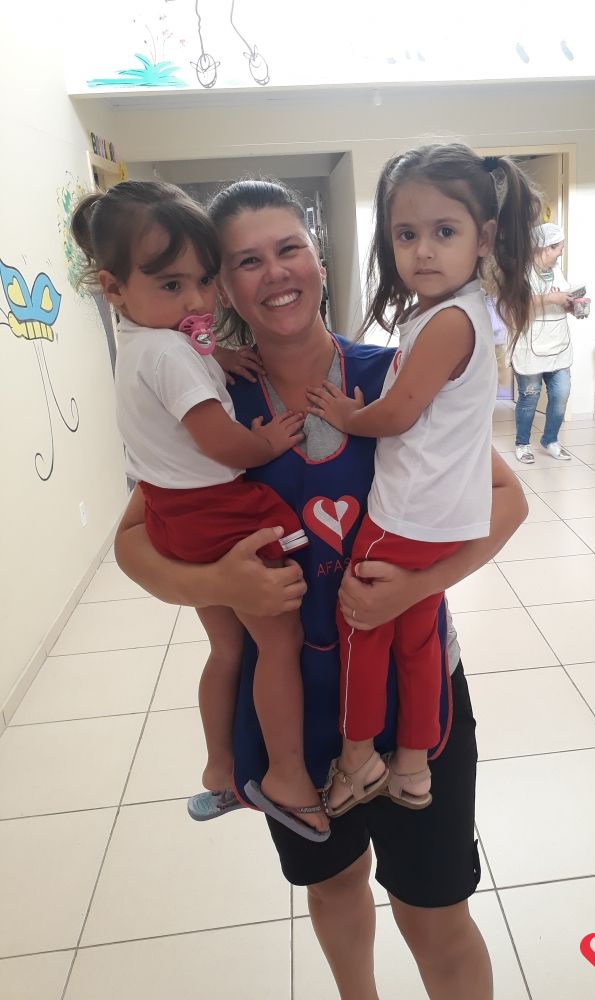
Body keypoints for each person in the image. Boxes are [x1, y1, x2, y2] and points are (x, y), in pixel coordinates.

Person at [115, 175, 528, 1000]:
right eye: (247, 261)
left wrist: (411, 591)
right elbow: (131, 545)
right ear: (223, 287)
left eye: (289, 249)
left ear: (320, 261)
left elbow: (507, 501)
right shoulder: (207, 403)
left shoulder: (393, 378)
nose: (275, 273)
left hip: (412, 699)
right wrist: (215, 580)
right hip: (289, 715)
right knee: (335, 887)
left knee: (433, 911)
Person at [71, 181, 329, 840]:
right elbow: (219, 442)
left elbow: (193, 361)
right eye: (172, 284)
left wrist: (221, 357)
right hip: (217, 511)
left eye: (204, 281)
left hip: (173, 513)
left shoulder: (147, 340)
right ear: (113, 287)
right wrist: (266, 443)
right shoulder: (168, 352)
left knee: (226, 645)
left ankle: (220, 769)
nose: (195, 301)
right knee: (279, 641)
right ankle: (287, 775)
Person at [305, 144, 538, 816]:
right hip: (442, 519)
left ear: (483, 238)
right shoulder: (462, 312)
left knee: (361, 623)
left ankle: (357, 761)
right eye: (406, 235)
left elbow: (400, 413)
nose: (423, 251)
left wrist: (349, 416)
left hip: (404, 515)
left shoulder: (447, 321)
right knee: (416, 634)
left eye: (444, 231)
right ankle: (412, 766)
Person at [510, 222, 579, 465]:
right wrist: (552, 298)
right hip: (530, 346)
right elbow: (517, 303)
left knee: (561, 393)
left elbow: (561, 299)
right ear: (546, 247)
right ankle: (522, 443)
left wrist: (572, 306)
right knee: (530, 397)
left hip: (557, 343)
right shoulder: (521, 270)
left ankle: (550, 440)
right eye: (559, 248)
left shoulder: (557, 270)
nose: (561, 252)